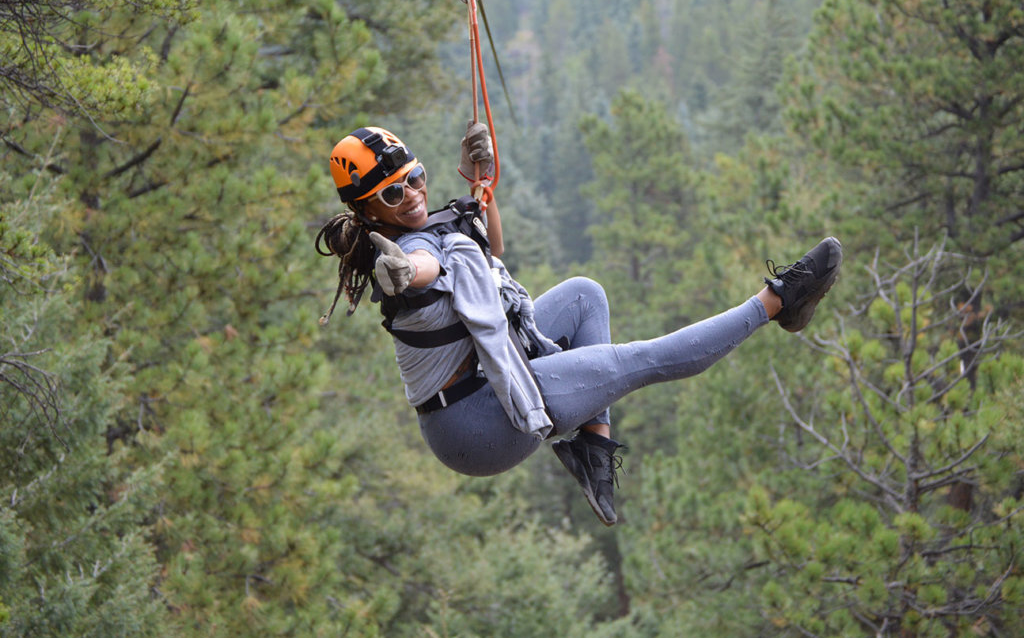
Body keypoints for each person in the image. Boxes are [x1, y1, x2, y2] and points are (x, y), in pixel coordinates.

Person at [316, 124, 842, 526]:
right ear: (368, 212)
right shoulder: (404, 255)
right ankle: (778, 301)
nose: (412, 196)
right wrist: (405, 272)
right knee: (641, 360)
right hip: (473, 428)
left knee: (585, 296)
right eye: (393, 194)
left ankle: (593, 447)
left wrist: (480, 187)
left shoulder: (431, 227)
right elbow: (425, 268)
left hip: (477, 394)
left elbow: (488, 247)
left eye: (415, 179)